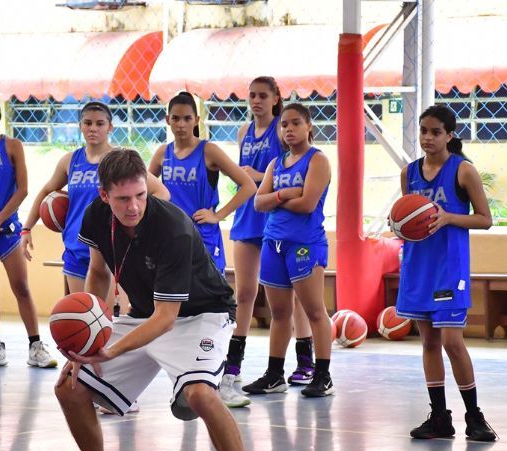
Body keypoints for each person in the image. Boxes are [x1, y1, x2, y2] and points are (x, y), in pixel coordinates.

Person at [56, 148, 255, 451]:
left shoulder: (173, 227)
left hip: (202, 315)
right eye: (123, 199)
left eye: (140, 196)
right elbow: (99, 272)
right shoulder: (96, 217)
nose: (133, 206)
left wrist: (110, 350)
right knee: (69, 388)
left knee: (201, 395)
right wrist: (88, 340)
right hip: (146, 315)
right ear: (104, 196)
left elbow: (167, 318)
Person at [398, 105, 496, 442]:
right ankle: (440, 416)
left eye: (435, 131)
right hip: (418, 264)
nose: (427, 137)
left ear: (450, 135)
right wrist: (400, 224)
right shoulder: (408, 172)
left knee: (453, 342)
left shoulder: (462, 170)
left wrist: (449, 217)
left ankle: (475, 415)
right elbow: (409, 218)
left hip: (449, 267)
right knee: (428, 342)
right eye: (423, 130)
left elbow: (485, 218)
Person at [222, 77, 315, 407]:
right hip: (250, 214)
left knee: (297, 296)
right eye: (252, 95)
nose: (256, 101)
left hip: (279, 217)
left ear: (276, 98)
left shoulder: (283, 127)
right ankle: (232, 367)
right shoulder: (244, 131)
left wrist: (256, 177)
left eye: (263, 95)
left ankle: (306, 362)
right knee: (244, 293)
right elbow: (245, 179)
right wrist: (247, 179)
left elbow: (288, 173)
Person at [21, 102, 169, 294]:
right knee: (82, 318)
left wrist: (135, 224)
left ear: (110, 127)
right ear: (80, 126)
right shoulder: (70, 161)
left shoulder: (121, 160)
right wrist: (26, 228)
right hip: (76, 248)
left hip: (110, 249)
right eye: (88, 123)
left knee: (106, 319)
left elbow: (162, 193)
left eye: (100, 123)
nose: (93, 128)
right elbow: (46, 191)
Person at [241, 103, 335, 398]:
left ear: (309, 126)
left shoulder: (317, 160)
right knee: (279, 313)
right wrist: (285, 193)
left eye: (296, 123)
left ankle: (323, 375)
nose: (289, 129)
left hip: (305, 244)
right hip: (274, 242)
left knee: (314, 311)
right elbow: (258, 202)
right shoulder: (276, 164)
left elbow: (308, 204)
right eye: (284, 125)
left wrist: (275, 199)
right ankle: (274, 374)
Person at [0, 96, 57, 370]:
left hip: (6, 230)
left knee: (21, 287)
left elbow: (23, 190)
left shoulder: (12, 146)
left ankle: (35, 346)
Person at [148, 91, 256, 274]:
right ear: (167, 120)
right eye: (176, 118)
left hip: (204, 236)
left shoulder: (209, 151)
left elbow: (249, 186)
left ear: (196, 120)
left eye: (187, 118)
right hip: (172, 235)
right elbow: (143, 190)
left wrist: (218, 215)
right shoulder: (162, 153)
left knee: (209, 295)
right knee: (176, 295)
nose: (181, 124)